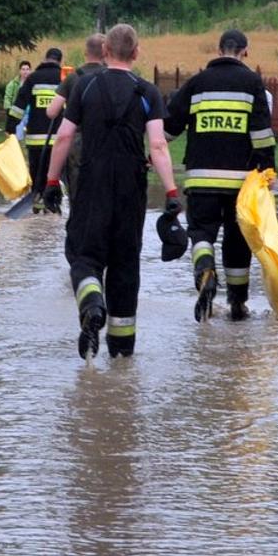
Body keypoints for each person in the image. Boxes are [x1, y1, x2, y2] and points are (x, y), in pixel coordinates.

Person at [44, 24, 179, 360]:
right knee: (124, 265)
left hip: (91, 185)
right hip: (131, 189)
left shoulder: (85, 85)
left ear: (105, 52)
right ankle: (121, 352)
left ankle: (91, 301)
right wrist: (172, 190)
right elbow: (159, 145)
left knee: (84, 255)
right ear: (136, 53)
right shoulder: (147, 92)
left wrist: (50, 182)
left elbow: (63, 137)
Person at [163, 29, 275, 322]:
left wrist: (153, 152)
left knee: (201, 234)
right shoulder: (252, 83)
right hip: (241, 183)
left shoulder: (197, 83)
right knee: (237, 242)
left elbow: (170, 127)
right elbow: (262, 134)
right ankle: (237, 305)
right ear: (245, 52)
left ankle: (205, 272)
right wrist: (267, 173)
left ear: (218, 49)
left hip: (201, 180)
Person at [48, 33, 106, 191]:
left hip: (78, 143)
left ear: (86, 52)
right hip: (106, 142)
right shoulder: (112, 77)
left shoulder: (73, 78)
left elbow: (52, 111)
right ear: (106, 52)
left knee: (78, 192)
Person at [13, 49, 67, 213]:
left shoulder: (33, 78)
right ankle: (53, 205)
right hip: (59, 140)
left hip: (35, 140)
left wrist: (10, 127)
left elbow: (19, 105)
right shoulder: (65, 80)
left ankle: (37, 204)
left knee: (37, 174)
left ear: (45, 59)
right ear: (60, 61)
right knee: (55, 175)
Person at [3, 60, 31, 132]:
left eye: (27, 69)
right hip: (18, 112)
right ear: (20, 71)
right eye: (23, 69)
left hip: (30, 113)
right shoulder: (12, 84)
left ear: (30, 71)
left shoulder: (33, 83)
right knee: (18, 134)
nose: (25, 71)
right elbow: (7, 97)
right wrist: (8, 108)